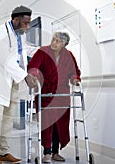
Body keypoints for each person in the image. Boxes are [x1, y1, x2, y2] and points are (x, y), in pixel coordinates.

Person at [0, 5, 38, 164]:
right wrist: (25, 76)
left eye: (29, 23)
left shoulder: (19, 34)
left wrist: (40, 51)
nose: (27, 26)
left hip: (13, 82)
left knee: (8, 119)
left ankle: (4, 152)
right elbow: (6, 60)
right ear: (15, 20)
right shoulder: (0, 33)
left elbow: (22, 51)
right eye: (25, 23)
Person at [27, 32, 81, 163]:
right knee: (47, 122)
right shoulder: (42, 51)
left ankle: (56, 152)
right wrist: (33, 76)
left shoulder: (68, 55)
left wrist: (75, 80)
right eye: (53, 39)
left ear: (64, 44)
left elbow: (74, 72)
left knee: (60, 124)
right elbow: (33, 66)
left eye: (57, 41)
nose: (54, 42)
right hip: (46, 92)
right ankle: (47, 152)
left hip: (62, 94)